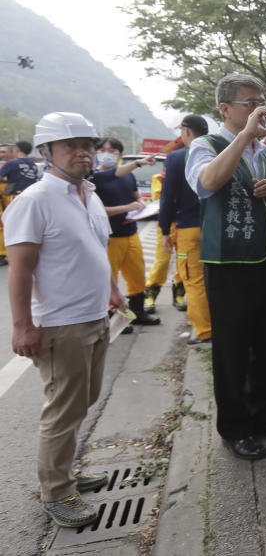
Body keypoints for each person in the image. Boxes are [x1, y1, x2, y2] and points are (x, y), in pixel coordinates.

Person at [3, 112, 128, 528]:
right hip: (60, 323)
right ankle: (56, 492)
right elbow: (20, 269)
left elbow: (98, 247)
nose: (83, 153)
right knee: (63, 409)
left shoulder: (88, 194)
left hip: (95, 316)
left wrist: (112, 288)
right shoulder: (34, 200)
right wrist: (22, 326)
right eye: (71, 145)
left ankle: (65, 473)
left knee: (83, 400)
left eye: (88, 145)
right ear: (46, 152)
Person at [185, 73, 266, 460]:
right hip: (228, 265)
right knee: (232, 352)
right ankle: (235, 427)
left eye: (260, 102)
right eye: (250, 103)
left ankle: (262, 413)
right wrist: (244, 136)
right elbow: (208, 182)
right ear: (226, 109)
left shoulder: (265, 152)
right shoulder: (206, 144)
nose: (258, 109)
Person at [91, 137, 160, 328]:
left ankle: (137, 313)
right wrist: (126, 207)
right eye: (102, 150)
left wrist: (143, 206)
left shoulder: (128, 176)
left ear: (120, 155)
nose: (107, 153)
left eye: (112, 151)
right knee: (108, 279)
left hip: (131, 233)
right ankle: (111, 317)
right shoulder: (94, 178)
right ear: (96, 153)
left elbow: (136, 197)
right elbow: (96, 210)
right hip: (109, 237)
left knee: (137, 276)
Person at [159, 114, 212, 345]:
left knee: (193, 280)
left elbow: (167, 198)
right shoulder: (217, 153)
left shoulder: (176, 158)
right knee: (213, 278)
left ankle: (205, 331)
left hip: (189, 230)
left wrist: (164, 230)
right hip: (214, 227)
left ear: (187, 132)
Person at [145, 166, 186, 315]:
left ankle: (179, 293)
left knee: (184, 261)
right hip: (166, 225)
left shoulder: (192, 175)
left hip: (186, 225)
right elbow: (160, 200)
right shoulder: (159, 179)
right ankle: (150, 293)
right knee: (162, 261)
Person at [0, 140, 39, 267]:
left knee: (11, 224)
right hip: (32, 197)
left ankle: (9, 255)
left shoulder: (12, 163)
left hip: (16, 197)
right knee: (28, 225)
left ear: (16, 149)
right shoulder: (33, 164)